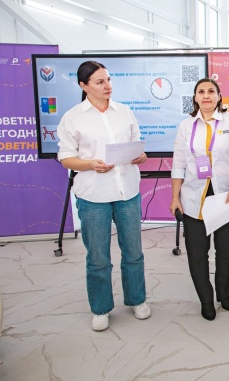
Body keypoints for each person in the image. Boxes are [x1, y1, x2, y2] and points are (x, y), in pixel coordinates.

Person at [57, 61, 151, 332]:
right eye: (99, 82)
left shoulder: (124, 112)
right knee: (98, 257)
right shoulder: (72, 117)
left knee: (133, 252)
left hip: (127, 192)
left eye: (108, 80)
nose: (107, 86)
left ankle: (136, 299)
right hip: (93, 195)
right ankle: (100, 308)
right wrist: (90, 164)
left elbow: (137, 146)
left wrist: (140, 156)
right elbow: (66, 158)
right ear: (84, 86)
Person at [170, 78, 229, 321]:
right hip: (194, 199)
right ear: (195, 97)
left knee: (226, 251)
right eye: (201, 92)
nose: (206, 95)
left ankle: (223, 293)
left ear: (219, 96)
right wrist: (175, 197)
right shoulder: (185, 126)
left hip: (226, 197)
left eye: (211, 91)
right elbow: (179, 164)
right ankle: (206, 299)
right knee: (197, 254)